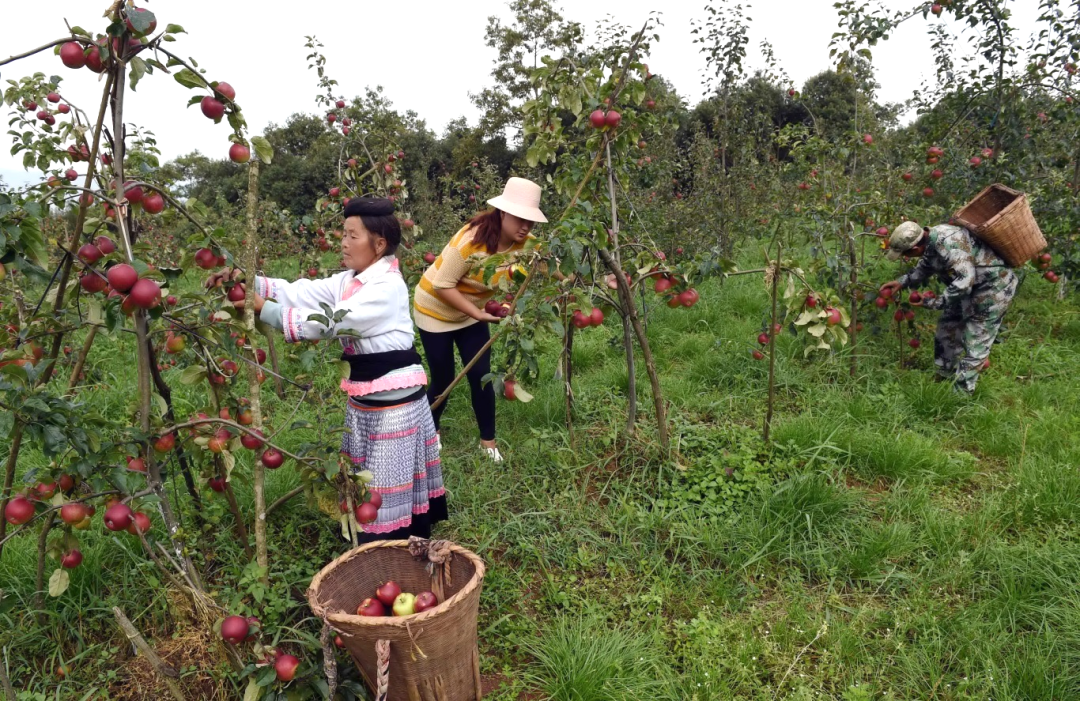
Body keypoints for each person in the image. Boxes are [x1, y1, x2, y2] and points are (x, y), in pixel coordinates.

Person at [208, 197, 446, 543]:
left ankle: (389, 545)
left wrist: (262, 308)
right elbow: (302, 291)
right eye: (343, 234)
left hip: (396, 407)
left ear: (378, 244)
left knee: (385, 481)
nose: (343, 242)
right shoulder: (351, 279)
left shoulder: (386, 286)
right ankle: (380, 541)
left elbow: (331, 323)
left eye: (352, 236)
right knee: (368, 476)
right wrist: (251, 281)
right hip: (367, 398)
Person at [413, 177, 547, 463]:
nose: (525, 226)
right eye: (520, 218)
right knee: (444, 377)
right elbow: (442, 284)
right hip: (434, 309)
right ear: (502, 212)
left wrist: (589, 277)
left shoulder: (527, 244)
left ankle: (488, 443)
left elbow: (553, 265)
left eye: (530, 221)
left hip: (473, 310)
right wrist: (477, 314)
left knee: (481, 377)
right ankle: (430, 429)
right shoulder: (471, 241)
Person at [879, 220, 1017, 394]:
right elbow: (927, 264)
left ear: (915, 249)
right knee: (947, 328)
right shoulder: (930, 240)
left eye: (905, 254)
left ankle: (960, 396)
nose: (906, 257)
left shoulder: (949, 244)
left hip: (993, 288)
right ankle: (944, 374)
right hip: (970, 288)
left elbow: (964, 281)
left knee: (977, 341)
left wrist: (934, 302)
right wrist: (902, 281)